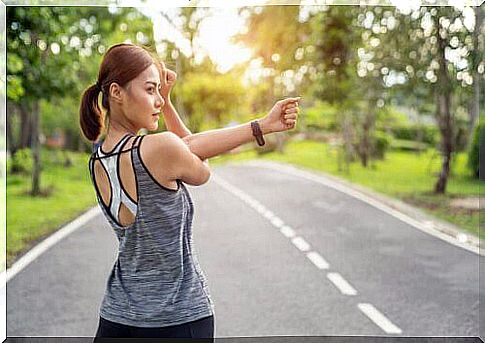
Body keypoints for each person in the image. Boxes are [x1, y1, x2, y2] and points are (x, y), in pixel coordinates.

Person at [78, 43, 300, 340]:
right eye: (149, 90)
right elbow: (199, 165)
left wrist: (165, 102)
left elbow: (186, 147)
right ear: (116, 92)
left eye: (159, 92)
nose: (157, 100)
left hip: (116, 318)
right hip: (177, 318)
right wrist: (264, 125)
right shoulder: (158, 147)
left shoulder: (97, 159)